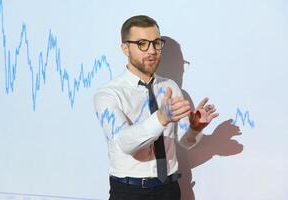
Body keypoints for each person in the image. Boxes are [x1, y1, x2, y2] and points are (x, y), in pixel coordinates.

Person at [93, 15, 218, 200]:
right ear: (125, 48)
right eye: (142, 43)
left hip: (169, 190)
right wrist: (160, 118)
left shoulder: (170, 87)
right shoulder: (108, 94)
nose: (152, 50)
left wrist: (194, 128)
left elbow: (184, 142)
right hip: (129, 192)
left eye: (156, 43)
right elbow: (125, 143)